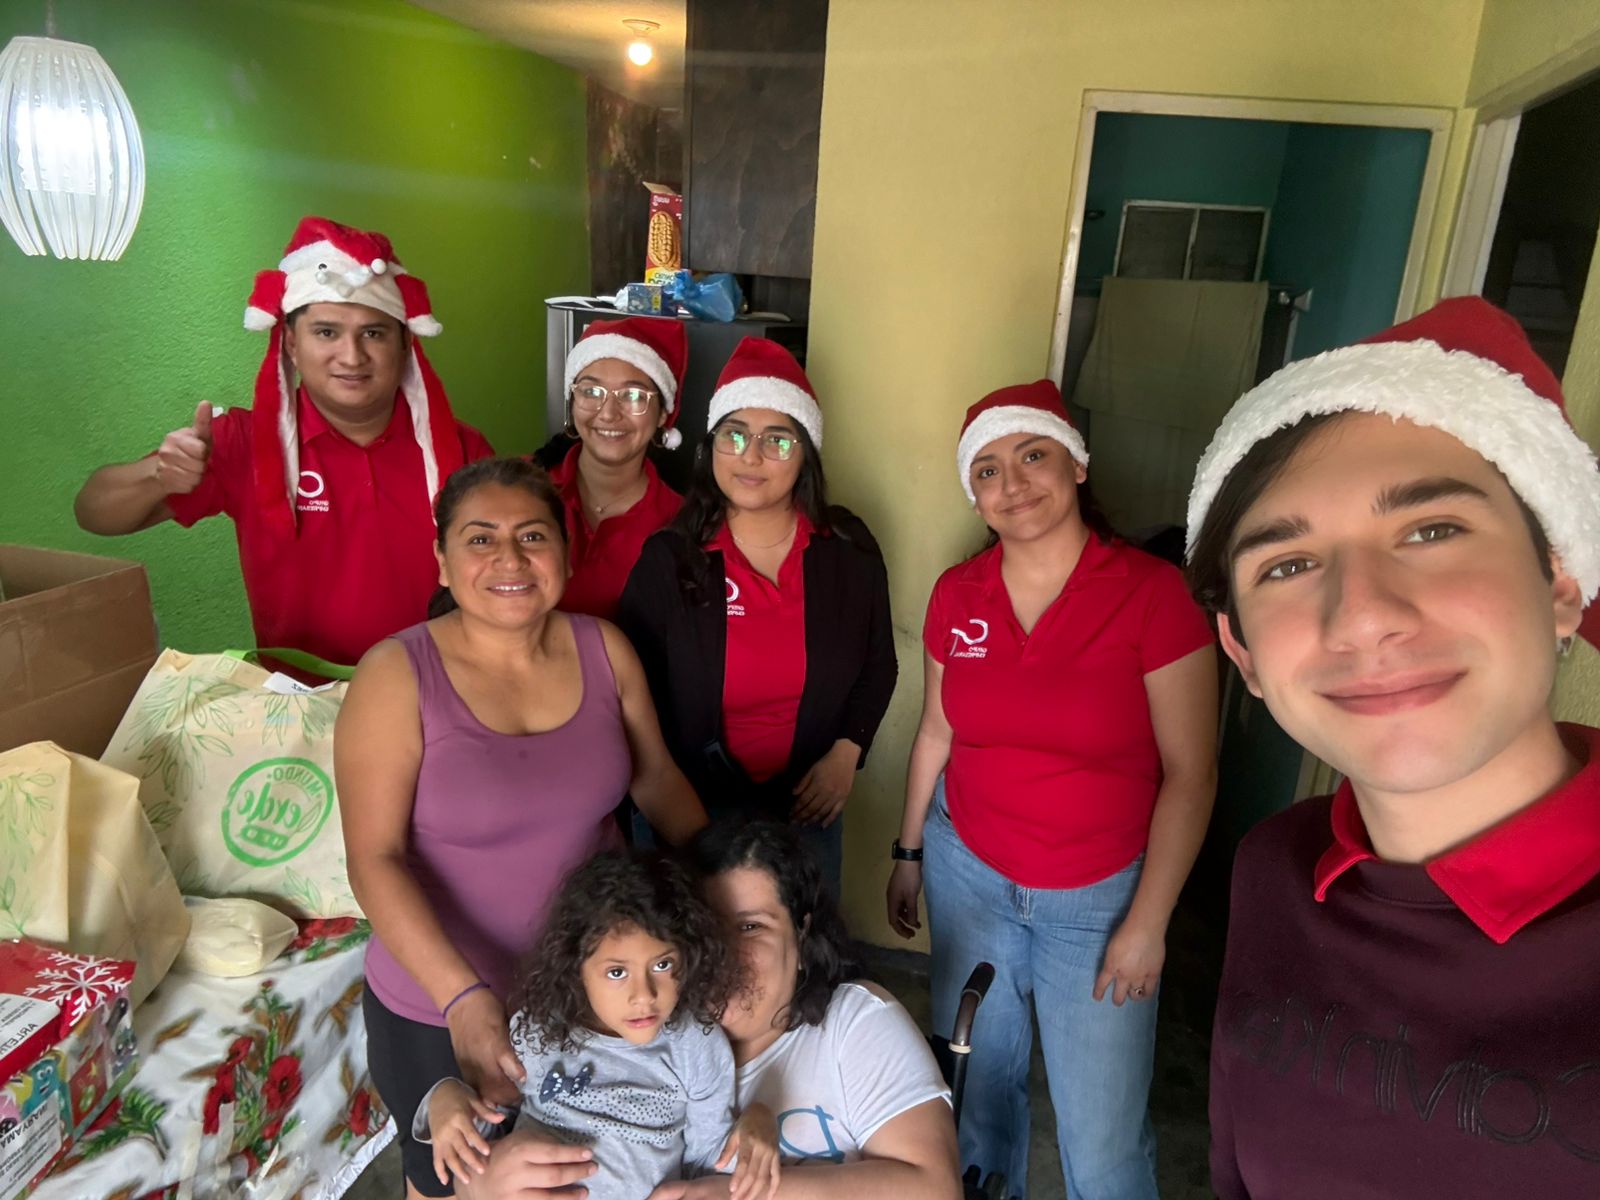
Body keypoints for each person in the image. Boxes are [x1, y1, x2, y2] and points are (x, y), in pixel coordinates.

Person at [1184, 296, 1600, 1199]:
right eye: (1287, 565)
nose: (1363, 615)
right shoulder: (1275, 868)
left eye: (1432, 530)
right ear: (1244, 654)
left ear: (1562, 585)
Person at [336, 456, 708, 1200]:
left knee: (587, 1181)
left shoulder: (605, 650)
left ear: (564, 555)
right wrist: (462, 999)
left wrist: (736, 891)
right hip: (435, 1003)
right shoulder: (396, 674)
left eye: (533, 536)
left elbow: (657, 780)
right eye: (480, 539)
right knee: (457, 1189)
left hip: (589, 994)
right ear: (442, 561)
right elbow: (373, 859)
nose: (510, 558)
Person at [886, 380, 1218, 1199]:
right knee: (976, 1101)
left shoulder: (1152, 594)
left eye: (1033, 455)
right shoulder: (957, 594)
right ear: (975, 495)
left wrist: (1149, 923)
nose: (1014, 482)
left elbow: (1191, 772)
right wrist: (909, 853)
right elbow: (937, 732)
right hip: (970, 874)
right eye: (988, 470)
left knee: (1102, 1146)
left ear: (1076, 464)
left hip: (1098, 901)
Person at [461, 820, 963, 1200]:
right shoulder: (638, 1037)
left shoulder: (853, 1023)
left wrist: (742, 1194)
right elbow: (487, 1134)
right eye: (708, 929)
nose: (723, 952)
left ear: (802, 930)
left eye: (751, 927)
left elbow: (936, 1188)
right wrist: (481, 1185)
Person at [73, 216, 494, 668]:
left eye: (373, 333)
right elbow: (94, 513)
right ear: (291, 343)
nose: (352, 356)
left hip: (437, 686)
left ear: (405, 344)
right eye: (326, 332)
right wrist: (157, 476)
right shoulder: (243, 441)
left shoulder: (460, 449)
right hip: (297, 697)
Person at [618, 338, 897, 892]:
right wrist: (697, 838)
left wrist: (847, 752)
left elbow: (878, 662)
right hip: (689, 809)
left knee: (804, 942)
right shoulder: (670, 560)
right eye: (735, 434)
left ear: (806, 453)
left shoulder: (848, 549)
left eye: (778, 440)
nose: (751, 457)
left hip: (807, 811)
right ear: (711, 448)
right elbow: (628, 703)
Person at [417, 849, 780, 1200]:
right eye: (617, 972)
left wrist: (759, 1122)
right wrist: (444, 1099)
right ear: (576, 968)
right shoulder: (538, 1030)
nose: (644, 995)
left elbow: (709, 1163)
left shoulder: (695, 1045)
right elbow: (488, 1132)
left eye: (663, 965)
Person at [535, 316, 688, 620]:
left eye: (633, 396)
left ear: (662, 414)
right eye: (591, 392)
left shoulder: (682, 524)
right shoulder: (520, 489)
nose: (608, 414)